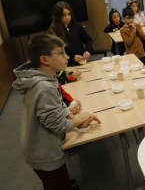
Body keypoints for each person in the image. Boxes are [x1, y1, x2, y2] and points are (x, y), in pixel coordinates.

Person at [12, 34, 101, 190]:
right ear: (45, 60)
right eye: (61, 53)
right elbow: (58, 125)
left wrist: (75, 119)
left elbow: (58, 106)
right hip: (45, 152)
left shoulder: (46, 78)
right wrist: (79, 120)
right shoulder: (44, 87)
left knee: (58, 182)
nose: (67, 57)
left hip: (41, 146)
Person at [48, 1, 93, 66]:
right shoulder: (53, 32)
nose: (67, 17)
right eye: (64, 15)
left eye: (69, 14)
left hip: (81, 62)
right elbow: (56, 54)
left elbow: (88, 40)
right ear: (57, 16)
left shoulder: (76, 26)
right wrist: (72, 58)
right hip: (65, 66)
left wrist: (87, 50)